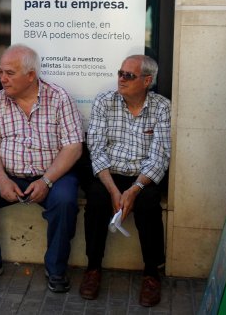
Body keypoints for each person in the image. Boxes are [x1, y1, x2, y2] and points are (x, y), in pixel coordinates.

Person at [0, 44, 84, 293]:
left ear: (31, 75)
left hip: (52, 175)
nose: (2, 79)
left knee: (65, 199)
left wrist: (47, 181)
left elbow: (73, 147)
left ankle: (56, 269)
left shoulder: (59, 98)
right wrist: (1, 180)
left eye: (9, 73)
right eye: (1, 72)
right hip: (7, 174)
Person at [81, 55, 171, 307]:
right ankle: (93, 268)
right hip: (109, 173)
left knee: (148, 205)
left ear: (147, 81)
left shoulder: (162, 107)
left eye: (128, 75)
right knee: (96, 201)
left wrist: (134, 189)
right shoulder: (104, 101)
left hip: (142, 176)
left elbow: (160, 156)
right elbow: (96, 149)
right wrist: (112, 189)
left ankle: (152, 273)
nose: (121, 79)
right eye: (120, 73)